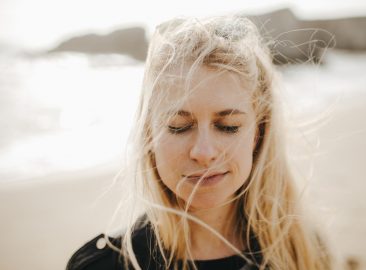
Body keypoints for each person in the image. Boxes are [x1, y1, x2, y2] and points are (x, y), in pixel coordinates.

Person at [67, 16, 330, 270]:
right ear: (149, 135)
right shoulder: (103, 265)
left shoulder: (303, 252)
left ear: (258, 133)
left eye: (228, 127)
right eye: (178, 127)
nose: (203, 153)